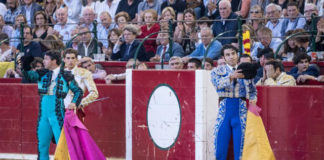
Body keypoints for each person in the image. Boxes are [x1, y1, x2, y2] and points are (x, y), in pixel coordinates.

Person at [21, 50, 83, 160]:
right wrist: (25, 66)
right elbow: (29, 75)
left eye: (46, 59)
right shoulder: (41, 73)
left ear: (54, 61)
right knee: (42, 145)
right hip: (43, 116)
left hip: (58, 115)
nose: (44, 61)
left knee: (62, 146)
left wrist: (74, 103)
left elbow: (78, 91)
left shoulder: (66, 75)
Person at [211, 44, 257, 160]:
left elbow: (252, 90)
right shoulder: (216, 71)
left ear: (237, 55)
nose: (231, 57)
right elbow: (217, 84)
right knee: (220, 147)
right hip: (224, 112)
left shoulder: (245, 70)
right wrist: (231, 77)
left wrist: (253, 98)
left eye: (233, 54)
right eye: (228, 55)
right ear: (224, 57)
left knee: (241, 150)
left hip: (241, 112)